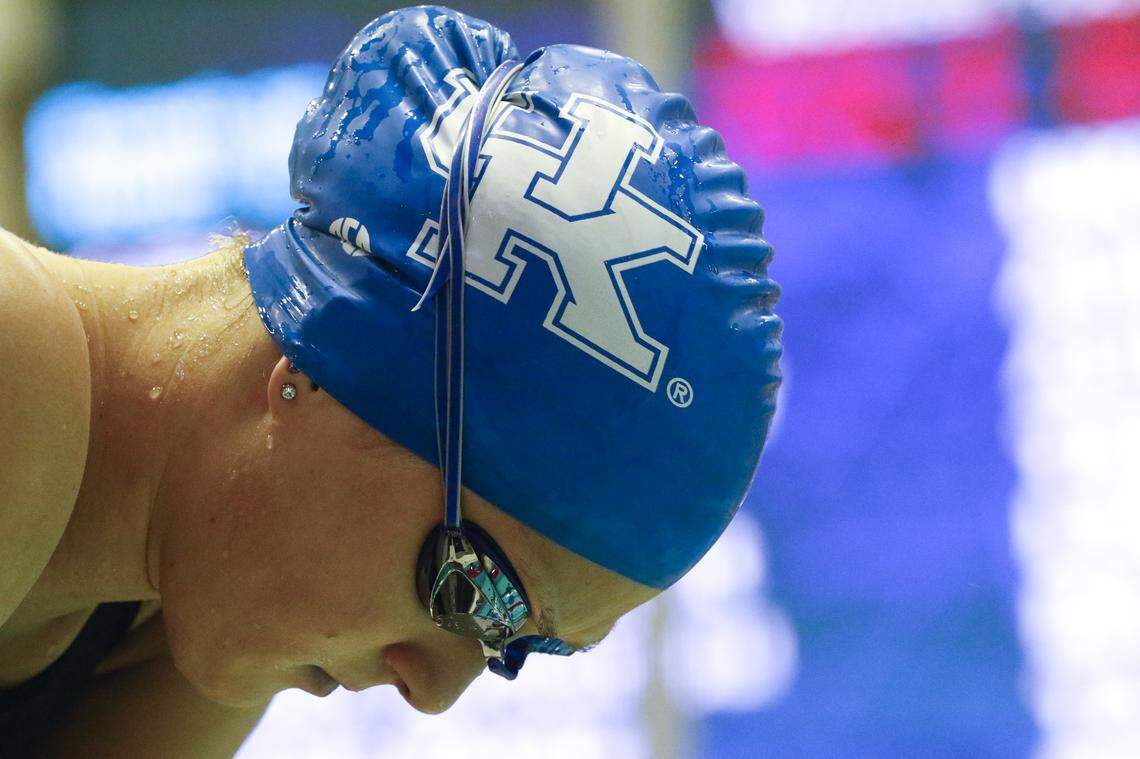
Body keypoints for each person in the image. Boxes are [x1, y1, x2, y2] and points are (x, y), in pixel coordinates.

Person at [0, 5, 781, 757]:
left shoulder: (186, 604)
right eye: (472, 590)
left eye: (513, 645)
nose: (433, 692)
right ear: (322, 364)